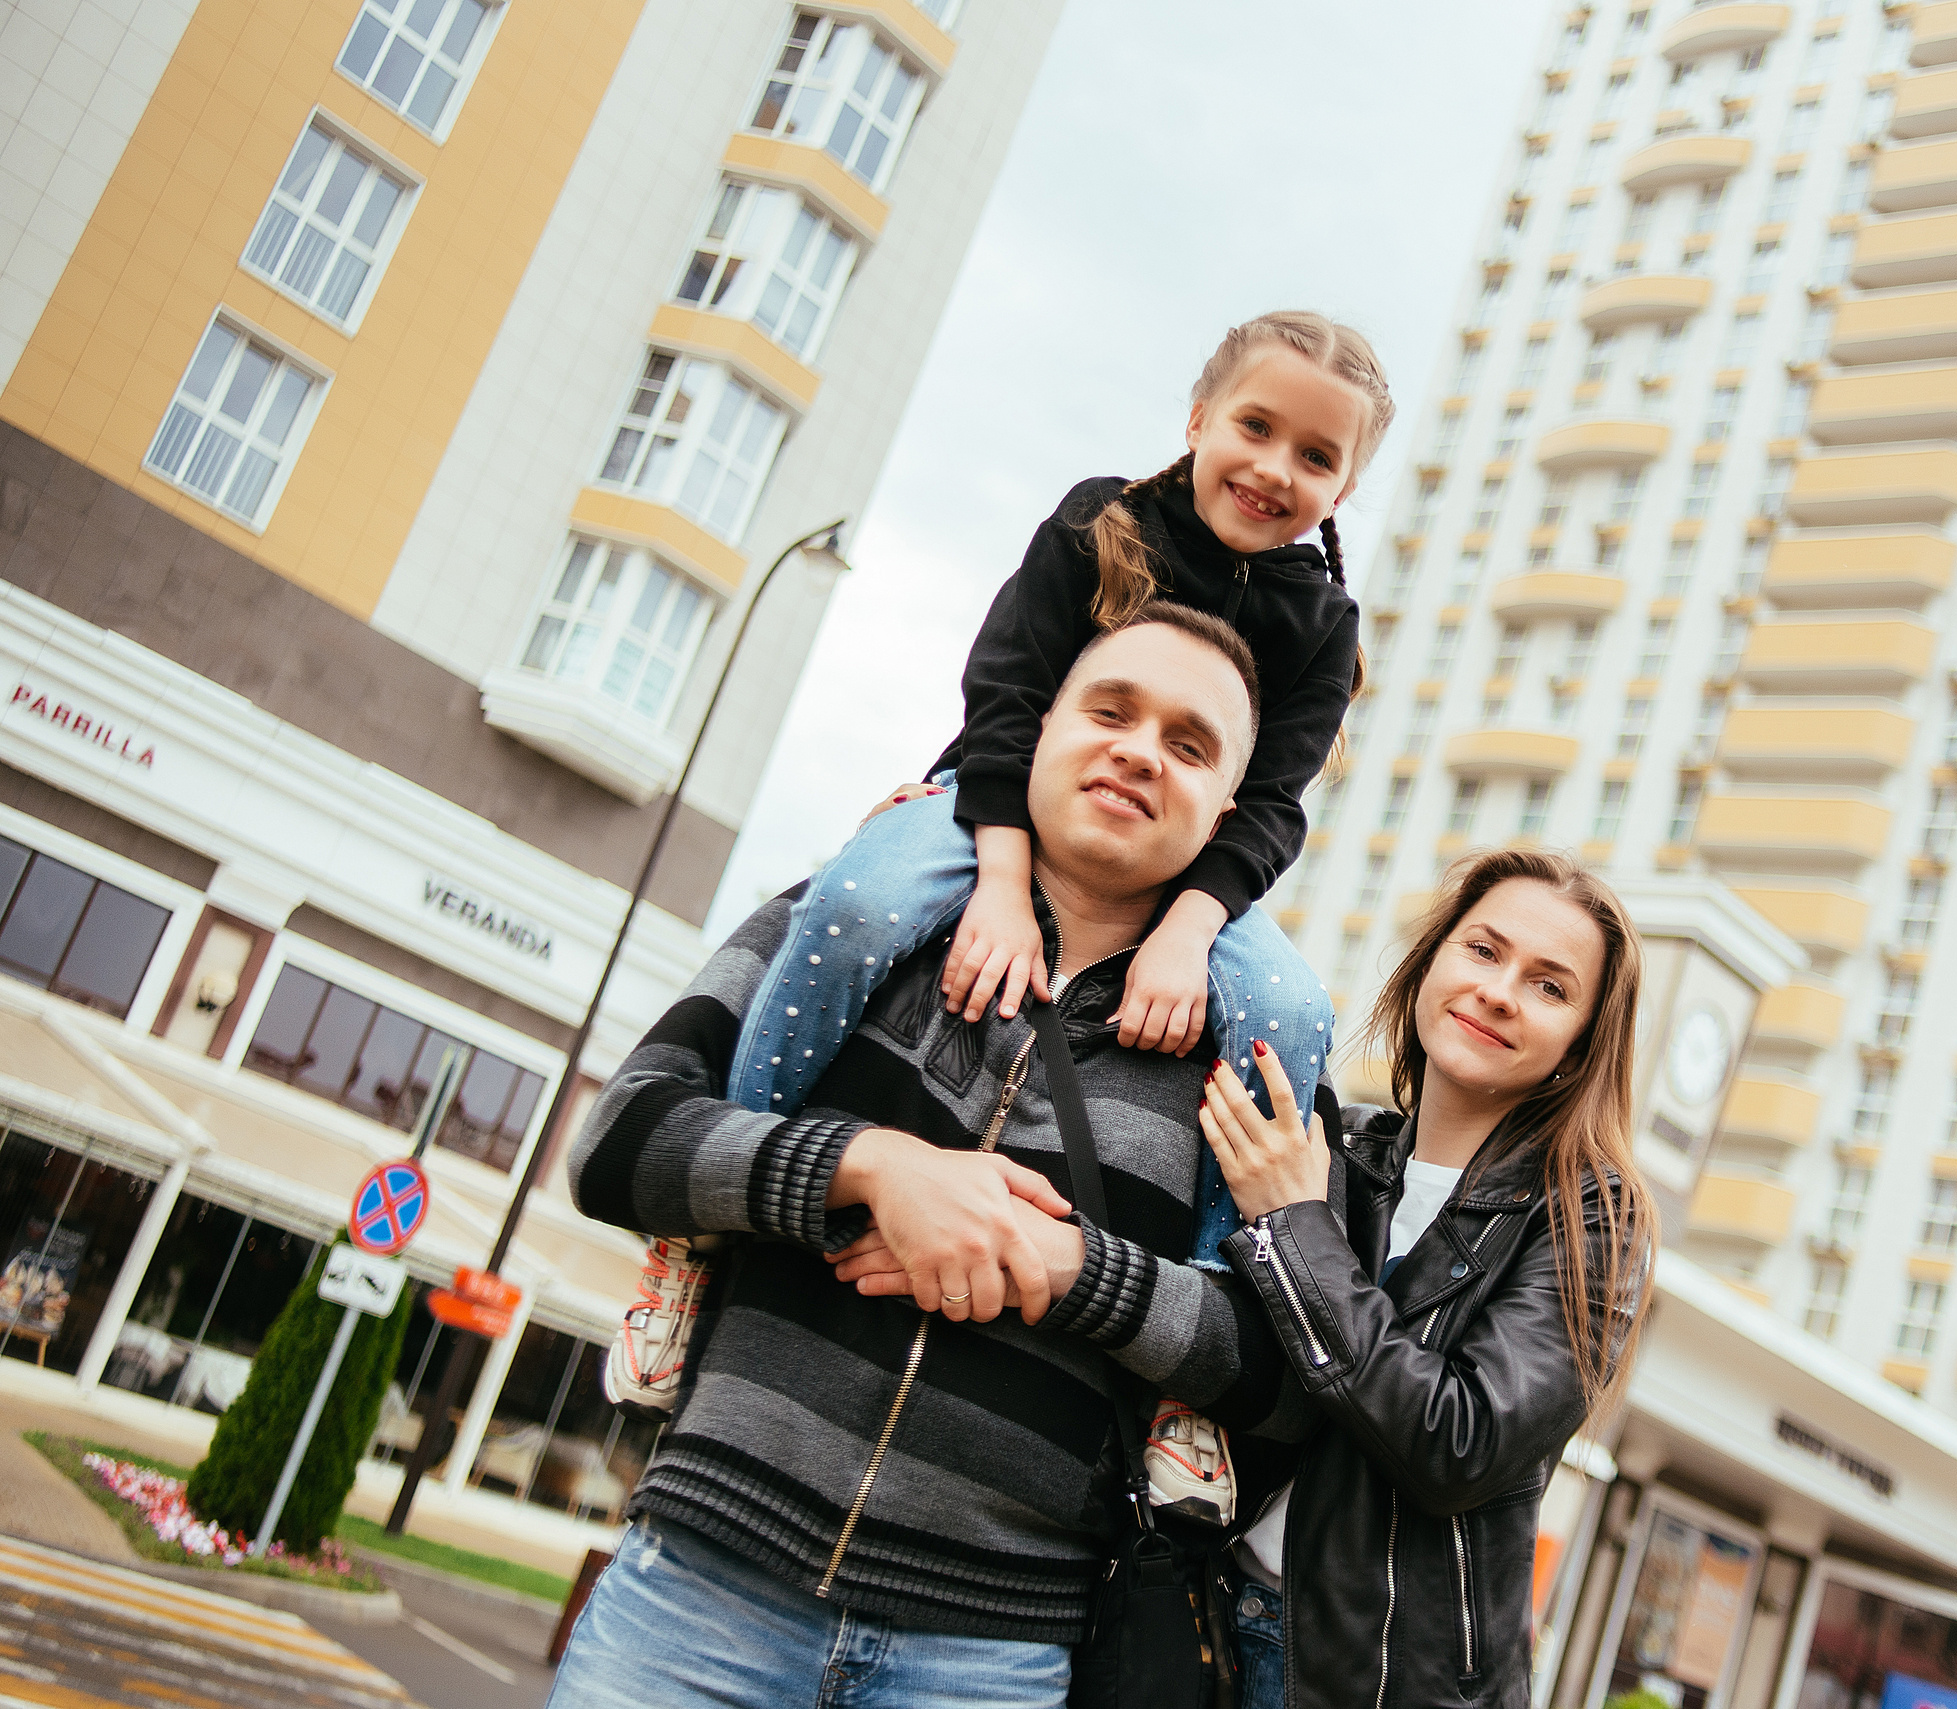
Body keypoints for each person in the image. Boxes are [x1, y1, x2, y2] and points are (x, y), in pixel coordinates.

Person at [553, 608, 1318, 1709]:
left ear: (1232, 815)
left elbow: (1289, 1370)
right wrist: (871, 1168)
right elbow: (623, 1141)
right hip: (696, 1598)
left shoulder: (1248, 1057)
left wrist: (1064, 1269)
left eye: (1190, 744)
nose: (1141, 748)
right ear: (1036, 728)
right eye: (1111, 710)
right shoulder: (845, 919)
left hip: (987, 1663)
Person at [730, 310, 1395, 1271]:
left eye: (1316, 456)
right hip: (994, 800)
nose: (1276, 469)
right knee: (857, 903)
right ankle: (738, 1179)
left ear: (1348, 485)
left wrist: (1186, 931)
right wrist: (1000, 883)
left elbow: (1272, 805)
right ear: (1200, 416)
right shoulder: (1101, 521)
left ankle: (1216, 1296)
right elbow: (1005, 699)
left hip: (1195, 874)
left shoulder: (1324, 622)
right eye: (1255, 427)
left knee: (1291, 1013)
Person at [1195, 849, 1658, 1709]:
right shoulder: (1339, 1148)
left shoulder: (1591, 1215)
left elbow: (1460, 1441)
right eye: (1483, 950)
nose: (1499, 991)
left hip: (1384, 1684)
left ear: (1578, 1045)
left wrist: (1292, 1227)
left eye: (1550, 986)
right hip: (1208, 1626)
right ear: (1431, 962)